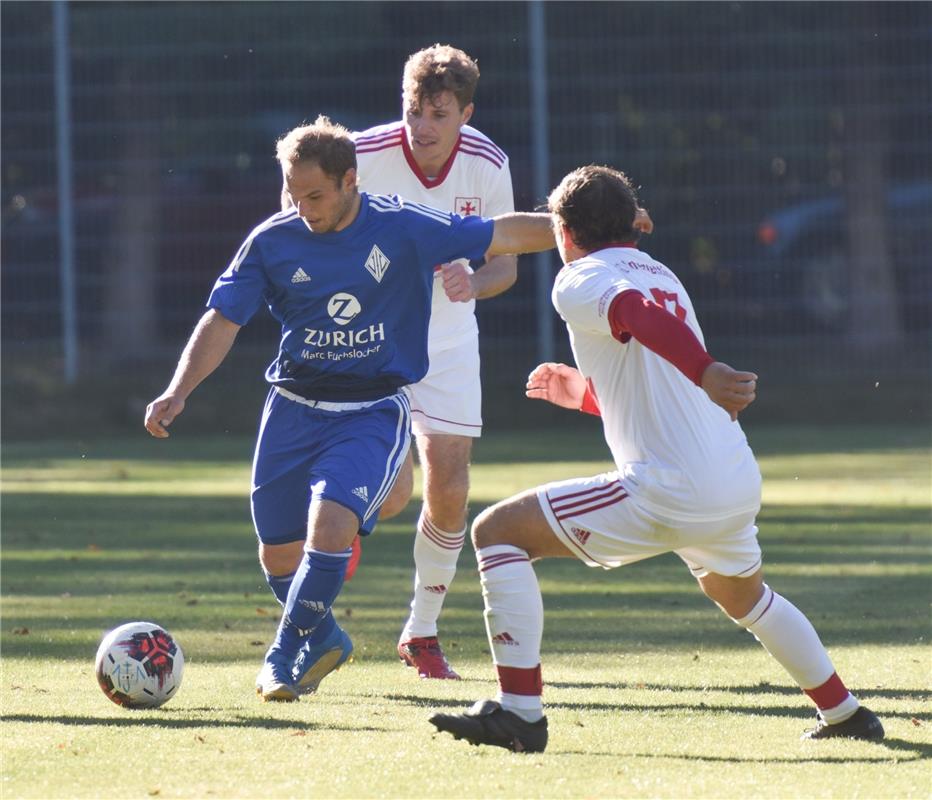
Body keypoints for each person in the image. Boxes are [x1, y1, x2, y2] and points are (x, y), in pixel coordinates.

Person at [429, 165, 884, 751]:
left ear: (562, 231)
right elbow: (652, 371)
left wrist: (708, 369)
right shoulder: (659, 269)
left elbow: (632, 314)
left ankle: (520, 714)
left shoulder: (579, 277)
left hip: (671, 487)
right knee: (747, 597)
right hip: (731, 477)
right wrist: (586, 395)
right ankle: (846, 714)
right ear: (632, 227)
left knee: (496, 532)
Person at [144, 115, 556, 702]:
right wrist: (178, 390)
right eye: (293, 193)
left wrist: (589, 227)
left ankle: (281, 658)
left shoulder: (402, 226)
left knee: (331, 525)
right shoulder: (271, 240)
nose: (302, 207)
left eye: (314, 194)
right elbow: (223, 318)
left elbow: (501, 234)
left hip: (369, 409)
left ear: (348, 182)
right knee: (277, 553)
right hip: (291, 408)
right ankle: (327, 637)